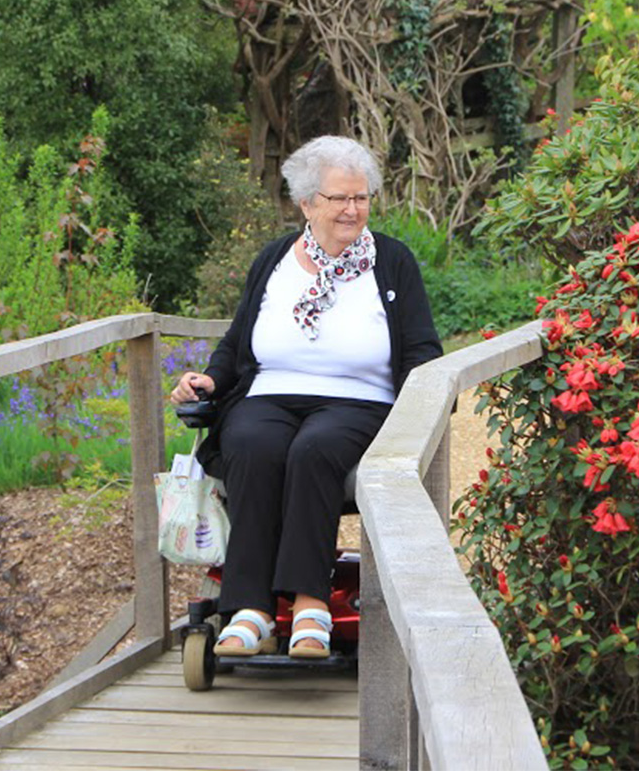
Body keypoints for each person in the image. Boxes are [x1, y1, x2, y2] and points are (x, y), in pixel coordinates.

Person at [169, 135, 442, 659]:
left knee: (315, 449)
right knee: (251, 444)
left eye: (361, 197)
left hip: (358, 400)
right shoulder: (274, 259)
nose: (352, 209)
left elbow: (422, 349)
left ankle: (311, 604)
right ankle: (249, 609)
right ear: (307, 204)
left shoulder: (392, 262)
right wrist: (211, 380)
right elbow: (237, 342)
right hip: (269, 393)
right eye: (339, 198)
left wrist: (421, 405)